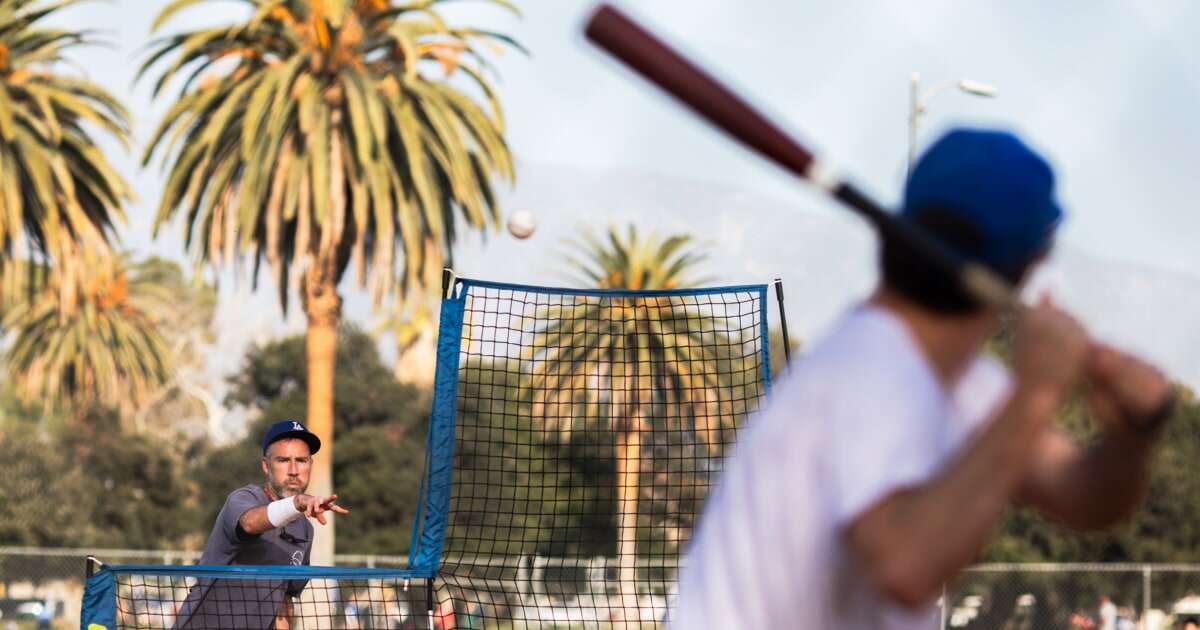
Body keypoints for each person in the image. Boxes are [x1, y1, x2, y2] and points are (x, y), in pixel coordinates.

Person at [671, 128, 1175, 629]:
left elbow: (1083, 496)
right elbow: (905, 567)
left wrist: (1131, 434)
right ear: (1034, 259)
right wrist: (1038, 389)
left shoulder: (966, 382)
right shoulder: (874, 364)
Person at [176, 420, 349, 629]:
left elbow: (285, 601)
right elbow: (249, 523)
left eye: (301, 460)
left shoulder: (305, 530)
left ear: (310, 465)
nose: (294, 470)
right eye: (283, 460)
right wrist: (296, 503)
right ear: (266, 465)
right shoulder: (243, 499)